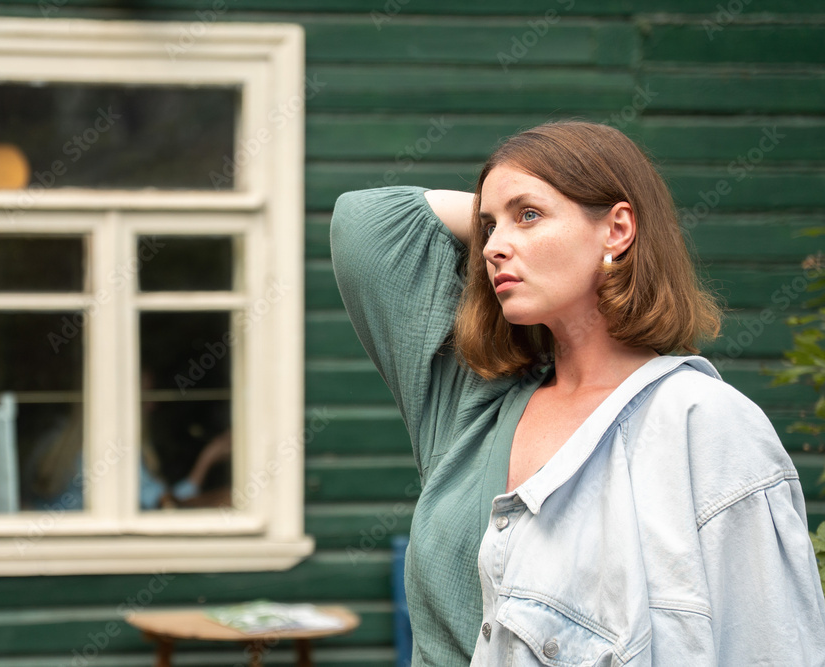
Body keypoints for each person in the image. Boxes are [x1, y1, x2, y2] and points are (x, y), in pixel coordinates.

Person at [330, 120, 825, 666]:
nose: (494, 246)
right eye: (488, 227)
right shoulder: (475, 406)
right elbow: (365, 221)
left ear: (617, 229)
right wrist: (514, 216)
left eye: (529, 215)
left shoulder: (704, 423)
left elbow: (772, 646)